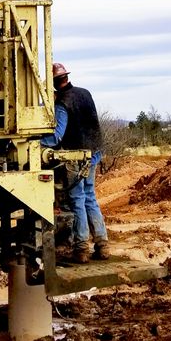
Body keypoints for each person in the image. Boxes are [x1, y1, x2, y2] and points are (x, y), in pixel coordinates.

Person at [42, 61, 110, 264]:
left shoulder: (63, 102)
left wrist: (35, 142)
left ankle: (81, 249)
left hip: (76, 156)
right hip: (94, 152)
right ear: (66, 77)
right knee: (90, 196)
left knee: (77, 199)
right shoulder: (85, 93)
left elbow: (56, 137)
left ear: (53, 83)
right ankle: (102, 245)